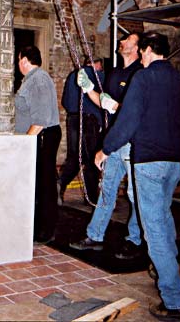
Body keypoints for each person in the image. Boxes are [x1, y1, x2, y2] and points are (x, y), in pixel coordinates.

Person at [95, 31, 180, 321]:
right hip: (176, 160)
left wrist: (106, 149)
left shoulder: (143, 78)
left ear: (147, 51)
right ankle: (164, 262)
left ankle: (173, 301)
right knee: (162, 213)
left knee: (153, 227)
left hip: (149, 161)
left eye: (143, 51)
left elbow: (128, 121)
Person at [70, 32, 143, 259]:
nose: (121, 41)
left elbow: (131, 110)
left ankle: (134, 239)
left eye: (127, 40)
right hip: (114, 141)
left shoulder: (139, 74)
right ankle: (95, 236)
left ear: (138, 48)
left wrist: (113, 106)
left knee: (135, 194)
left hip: (131, 141)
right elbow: (104, 102)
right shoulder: (115, 74)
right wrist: (88, 88)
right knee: (107, 190)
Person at [15, 46, 61, 244]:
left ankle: (45, 229)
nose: (18, 64)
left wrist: (25, 143)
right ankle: (37, 224)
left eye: (19, 60)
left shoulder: (38, 80)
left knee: (44, 183)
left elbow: (41, 119)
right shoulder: (31, 79)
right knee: (38, 182)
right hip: (39, 137)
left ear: (24, 60)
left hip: (42, 136)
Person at [57, 57, 104, 205]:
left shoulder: (73, 75)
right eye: (101, 67)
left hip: (73, 119)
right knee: (91, 160)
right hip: (89, 121)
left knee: (75, 157)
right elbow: (102, 100)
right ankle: (91, 198)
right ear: (96, 64)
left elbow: (65, 101)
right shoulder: (98, 76)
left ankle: (60, 183)